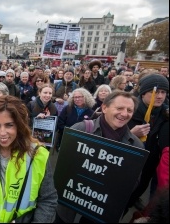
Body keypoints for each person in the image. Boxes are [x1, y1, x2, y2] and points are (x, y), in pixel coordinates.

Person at [55, 91, 145, 223]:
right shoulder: (80, 130)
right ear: (104, 108)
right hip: (68, 209)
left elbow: (132, 183)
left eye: (129, 110)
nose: (125, 114)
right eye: (119, 108)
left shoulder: (136, 145)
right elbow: (62, 166)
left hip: (101, 212)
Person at [0, 95, 58, 223]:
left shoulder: (38, 155)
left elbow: (48, 200)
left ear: (20, 126)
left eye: (9, 125)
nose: (2, 132)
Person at [126, 73, 169, 212]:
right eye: (154, 92)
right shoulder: (127, 111)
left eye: (163, 92)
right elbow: (108, 140)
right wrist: (131, 134)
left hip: (147, 169)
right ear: (143, 93)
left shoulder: (165, 114)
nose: (160, 96)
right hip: (126, 168)